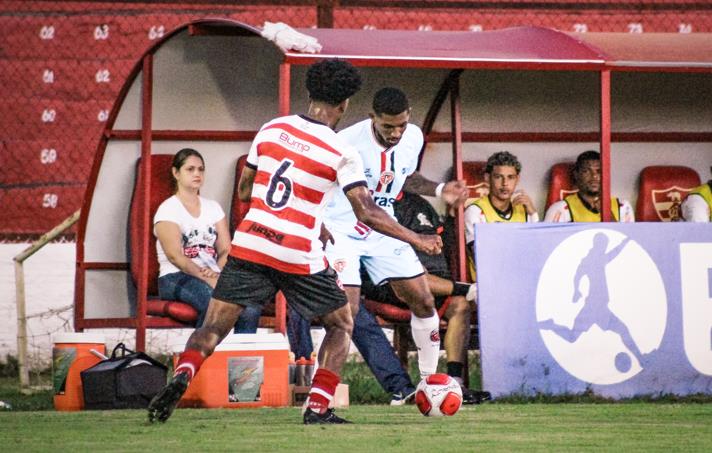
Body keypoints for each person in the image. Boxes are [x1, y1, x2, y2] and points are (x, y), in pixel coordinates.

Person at [147, 59, 442, 425]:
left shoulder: (271, 128)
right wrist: (417, 238)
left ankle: (183, 375)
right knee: (340, 324)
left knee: (212, 326)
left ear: (308, 94)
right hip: (295, 251)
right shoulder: (341, 151)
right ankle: (318, 408)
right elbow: (366, 212)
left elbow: (244, 191)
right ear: (346, 104)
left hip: (252, 242)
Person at [323, 87, 468, 384]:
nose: (395, 133)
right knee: (345, 313)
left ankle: (430, 385)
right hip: (342, 230)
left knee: (423, 300)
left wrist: (440, 190)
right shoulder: (345, 143)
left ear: (409, 118)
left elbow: (404, 177)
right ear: (372, 117)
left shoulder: (413, 136)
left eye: (401, 125)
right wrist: (416, 239)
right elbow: (364, 209)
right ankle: (320, 397)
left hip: (383, 230)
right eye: (388, 126)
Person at [359, 191, 487, 405]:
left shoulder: (418, 203)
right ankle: (414, 387)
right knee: (414, 283)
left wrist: (451, 215)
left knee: (460, 306)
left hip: (434, 281)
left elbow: (443, 244)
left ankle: (453, 384)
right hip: (389, 283)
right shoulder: (369, 203)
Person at [153, 148, 231, 328]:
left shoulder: (213, 208)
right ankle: (202, 354)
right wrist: (206, 277)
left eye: (201, 169)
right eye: (190, 169)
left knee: (247, 307)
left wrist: (217, 272)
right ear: (176, 173)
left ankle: (239, 353)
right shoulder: (168, 209)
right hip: (174, 276)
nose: (197, 174)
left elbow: (226, 249)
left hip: (212, 274)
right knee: (212, 303)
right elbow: (175, 256)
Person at [464, 151, 539, 282]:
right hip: (489, 286)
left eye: (510, 177)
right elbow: (483, 260)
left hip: (521, 281)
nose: (505, 183)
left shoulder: (524, 209)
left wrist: (533, 214)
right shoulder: (475, 211)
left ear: (517, 179)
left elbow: (536, 254)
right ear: (487, 178)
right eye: (498, 177)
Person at [544, 150, 634, 223]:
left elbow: (630, 242)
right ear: (576, 175)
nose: (594, 176)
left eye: (599, 171)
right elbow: (549, 243)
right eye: (586, 171)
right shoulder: (560, 210)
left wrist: (608, 215)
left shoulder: (622, 207)